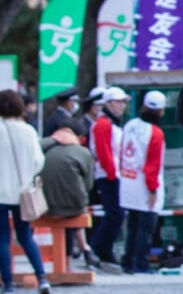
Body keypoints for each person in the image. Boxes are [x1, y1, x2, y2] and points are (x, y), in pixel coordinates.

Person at [0, 88, 51, 294]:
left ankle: (9, 284)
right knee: (26, 236)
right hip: (23, 193)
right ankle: (41, 278)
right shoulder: (28, 130)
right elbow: (39, 161)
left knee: (2, 238)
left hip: (0, 193)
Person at [119, 89, 167, 274]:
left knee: (132, 227)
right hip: (145, 186)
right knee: (145, 229)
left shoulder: (130, 125)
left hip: (128, 180)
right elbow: (152, 165)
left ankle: (128, 262)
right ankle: (141, 264)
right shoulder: (155, 133)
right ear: (161, 111)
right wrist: (153, 190)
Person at [40, 124, 96, 264]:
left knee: (67, 210)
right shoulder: (82, 152)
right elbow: (88, 184)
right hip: (73, 206)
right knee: (73, 210)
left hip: (42, 206)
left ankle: (78, 254)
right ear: (79, 137)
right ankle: (84, 249)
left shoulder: (42, 147)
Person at [89, 87, 127, 270]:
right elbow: (104, 153)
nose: (122, 106)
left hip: (113, 174)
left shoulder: (110, 123)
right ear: (109, 103)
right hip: (108, 175)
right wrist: (113, 174)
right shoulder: (103, 124)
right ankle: (98, 248)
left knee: (115, 214)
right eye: (118, 102)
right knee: (115, 214)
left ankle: (103, 249)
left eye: (123, 102)